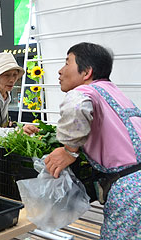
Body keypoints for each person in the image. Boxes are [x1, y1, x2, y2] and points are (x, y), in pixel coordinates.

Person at [44, 42, 141, 239]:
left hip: (131, 191)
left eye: (67, 63)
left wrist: (69, 150)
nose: (60, 71)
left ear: (86, 72)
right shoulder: (114, 93)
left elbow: (77, 106)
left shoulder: (84, 92)